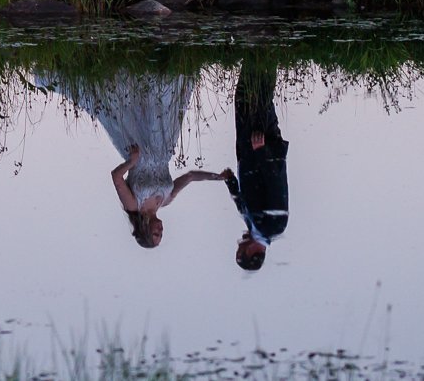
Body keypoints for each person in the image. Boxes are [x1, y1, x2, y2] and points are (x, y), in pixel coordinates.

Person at [41, 66, 223, 248]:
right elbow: (190, 177)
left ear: (144, 231)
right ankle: (166, 64)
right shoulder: (165, 200)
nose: (161, 230)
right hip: (163, 145)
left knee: (122, 105)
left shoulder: (133, 206)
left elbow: (116, 177)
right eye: (161, 234)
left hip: (138, 148)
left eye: (156, 234)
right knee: (161, 106)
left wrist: (132, 161)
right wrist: (217, 177)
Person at [221, 56, 289, 270]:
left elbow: (243, 204)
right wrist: (261, 152)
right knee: (258, 97)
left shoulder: (255, 226)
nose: (239, 243)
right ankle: (266, 48)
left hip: (249, 147)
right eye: (240, 249)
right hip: (261, 145)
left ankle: (254, 50)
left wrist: (231, 182)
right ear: (250, 252)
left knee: (245, 98)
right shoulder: (273, 226)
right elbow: (275, 185)